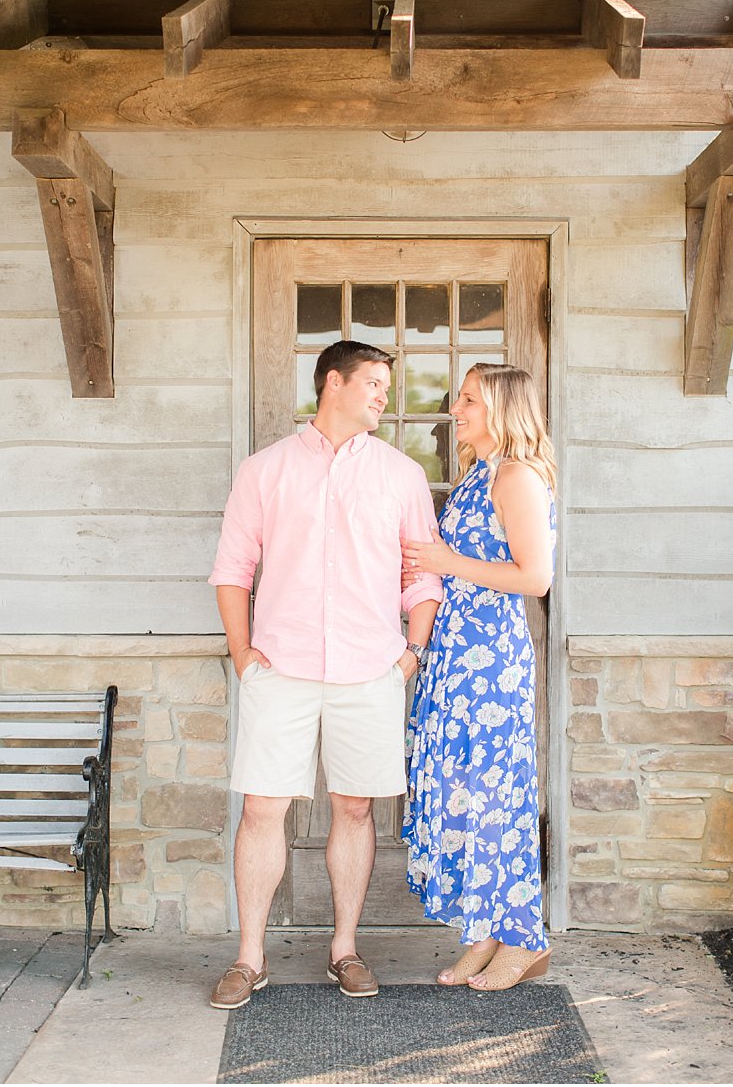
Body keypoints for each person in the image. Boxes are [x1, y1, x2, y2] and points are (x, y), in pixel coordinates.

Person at [207, 341, 443, 1010]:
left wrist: (410, 653)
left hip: (370, 669)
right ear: (331, 383)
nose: (383, 396)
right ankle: (249, 957)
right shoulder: (264, 470)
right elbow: (232, 570)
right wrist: (242, 652)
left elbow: (421, 574)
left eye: (386, 386)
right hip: (279, 667)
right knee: (261, 807)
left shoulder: (401, 476)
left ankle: (344, 947)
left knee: (356, 806)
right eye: (372, 382)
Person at [399, 364, 557, 992]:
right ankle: (482, 934)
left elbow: (534, 578)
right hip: (455, 658)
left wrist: (445, 559)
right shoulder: (476, 477)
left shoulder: (517, 477)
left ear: (500, 409)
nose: (455, 408)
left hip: (490, 663)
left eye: (468, 399)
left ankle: (523, 939)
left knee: (497, 799)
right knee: (463, 795)